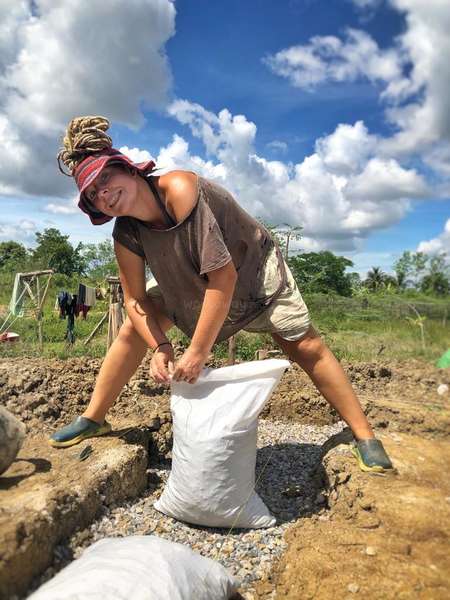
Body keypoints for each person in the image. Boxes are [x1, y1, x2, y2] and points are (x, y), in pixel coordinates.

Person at [49, 116, 393, 473]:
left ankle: (365, 436)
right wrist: (161, 347)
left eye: (106, 178)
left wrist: (197, 352)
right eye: (93, 193)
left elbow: (222, 276)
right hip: (186, 279)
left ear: (129, 169)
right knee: (133, 329)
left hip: (250, 268)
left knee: (303, 344)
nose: (103, 192)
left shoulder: (180, 189)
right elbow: (135, 302)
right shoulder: (127, 235)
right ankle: (93, 418)